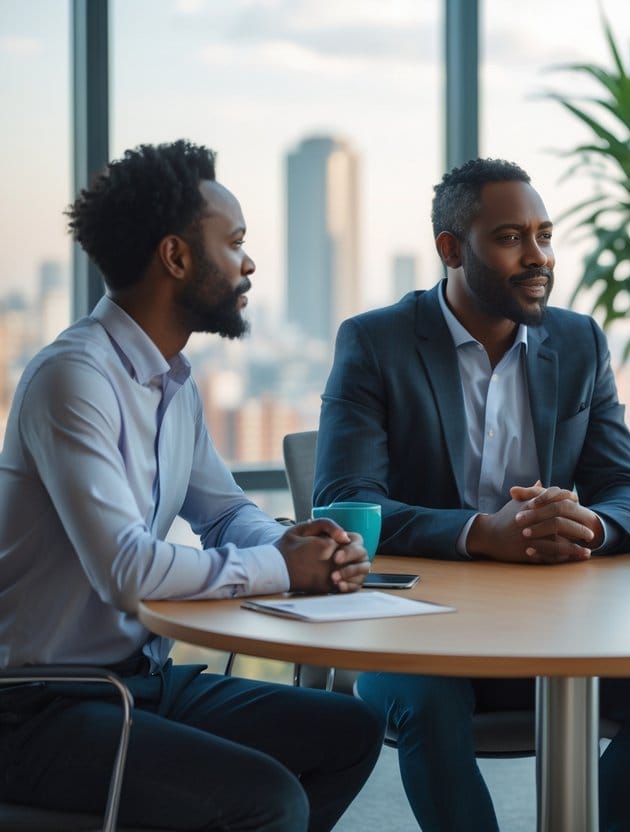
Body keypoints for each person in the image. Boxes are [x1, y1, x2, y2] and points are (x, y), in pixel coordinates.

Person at [0, 140, 383, 831]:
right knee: (265, 800)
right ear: (176, 257)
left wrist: (293, 543)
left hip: (137, 683)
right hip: (36, 706)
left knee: (349, 731)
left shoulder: (172, 382)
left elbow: (225, 511)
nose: (249, 263)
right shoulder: (74, 378)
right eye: (234, 242)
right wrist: (278, 567)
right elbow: (125, 570)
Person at [314, 157, 630, 831]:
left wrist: (584, 525)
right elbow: (347, 500)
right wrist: (482, 533)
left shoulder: (577, 342)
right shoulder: (376, 342)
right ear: (451, 249)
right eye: (510, 237)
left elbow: (626, 493)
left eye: (544, 235)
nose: (537, 256)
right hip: (416, 633)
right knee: (427, 705)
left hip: (557, 629)